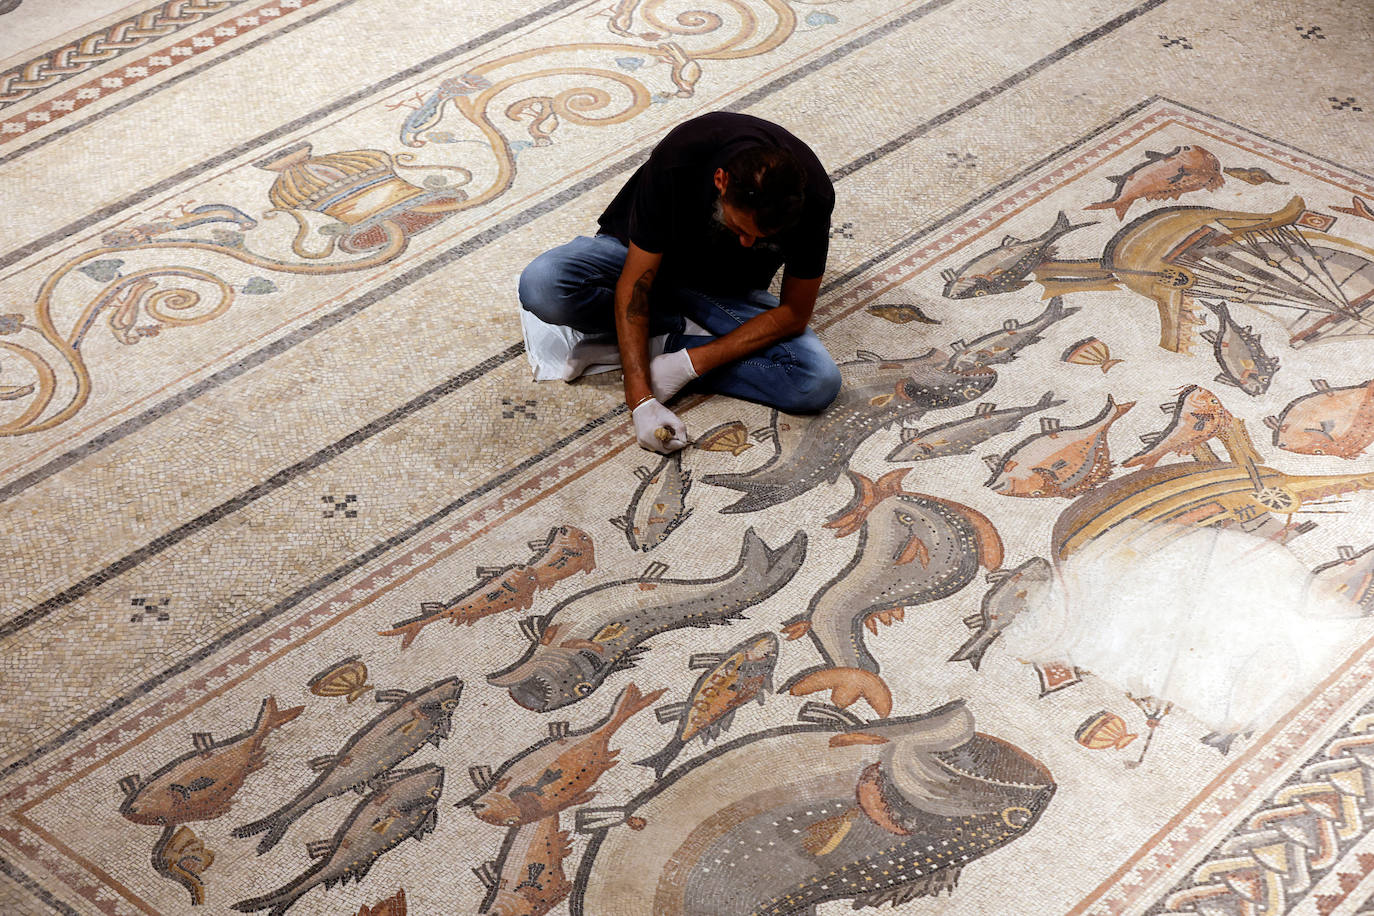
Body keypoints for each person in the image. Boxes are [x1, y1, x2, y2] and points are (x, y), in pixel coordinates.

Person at [518, 111, 842, 453]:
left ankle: (664, 342)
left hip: (726, 289)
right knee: (543, 284)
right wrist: (640, 400)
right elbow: (636, 284)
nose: (748, 243)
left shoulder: (813, 198)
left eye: (760, 238)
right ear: (721, 181)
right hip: (645, 261)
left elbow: (794, 311)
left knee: (816, 382)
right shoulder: (683, 154)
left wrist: (688, 365)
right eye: (741, 228)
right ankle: (678, 331)